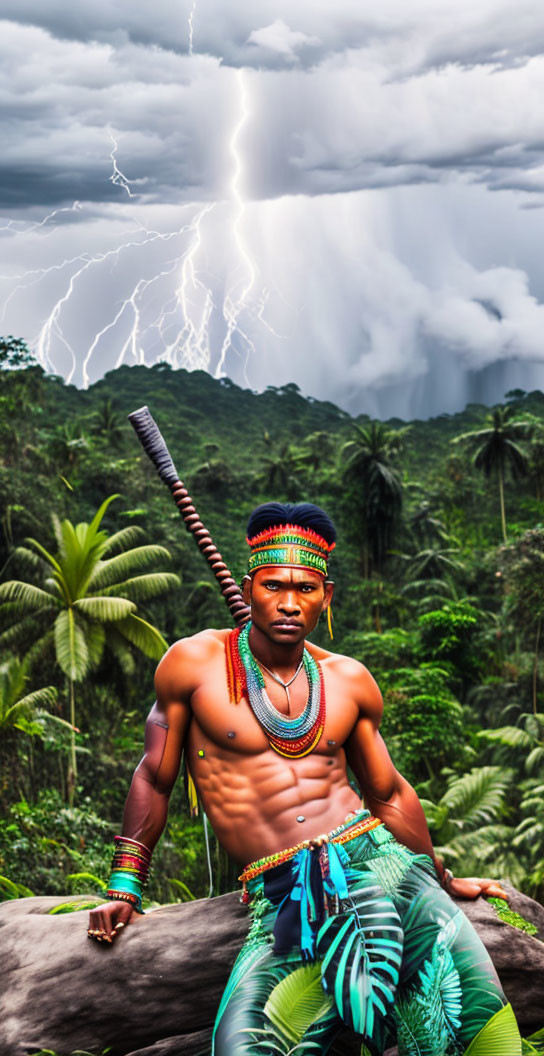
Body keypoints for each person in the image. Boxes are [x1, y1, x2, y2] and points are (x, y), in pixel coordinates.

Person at [88, 502, 522, 1055]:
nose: (289, 603)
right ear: (249, 588)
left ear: (327, 595)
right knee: (245, 1045)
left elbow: (387, 793)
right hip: (283, 889)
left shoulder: (348, 680)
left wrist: (442, 877)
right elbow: (154, 776)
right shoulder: (192, 663)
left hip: (383, 866)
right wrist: (125, 886)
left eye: (305, 588)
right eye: (274, 586)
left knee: (477, 1026)